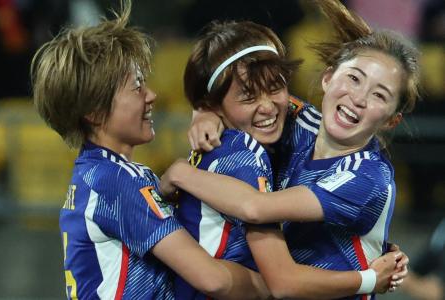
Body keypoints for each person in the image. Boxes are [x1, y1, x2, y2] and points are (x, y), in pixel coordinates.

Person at [160, 0, 419, 298]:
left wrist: (180, 173)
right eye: (354, 78)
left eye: (379, 95)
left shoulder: (367, 176)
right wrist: (205, 112)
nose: (359, 98)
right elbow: (243, 96)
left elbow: (255, 209)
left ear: (391, 121)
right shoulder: (299, 120)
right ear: (327, 77)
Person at [30, 1, 271, 299]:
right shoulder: (114, 180)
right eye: (137, 87)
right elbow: (212, 279)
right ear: (93, 110)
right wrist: (274, 287)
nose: (152, 95)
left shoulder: (97, 173)